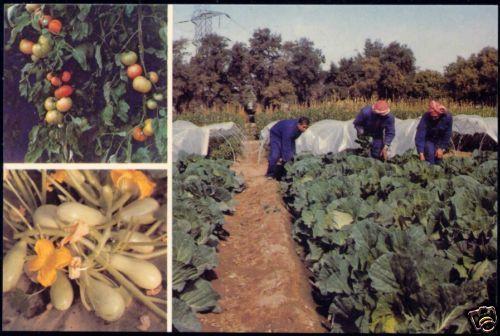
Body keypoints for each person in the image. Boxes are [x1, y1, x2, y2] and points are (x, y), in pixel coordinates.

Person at [415, 100, 453, 164]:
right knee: (430, 154)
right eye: (432, 116)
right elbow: (420, 135)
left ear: (440, 113)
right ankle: (430, 170)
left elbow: (447, 134)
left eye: (435, 116)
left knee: (438, 158)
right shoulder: (426, 117)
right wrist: (421, 153)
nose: (433, 118)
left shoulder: (447, 117)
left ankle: (437, 170)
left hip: (440, 141)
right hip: (429, 140)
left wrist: (442, 148)